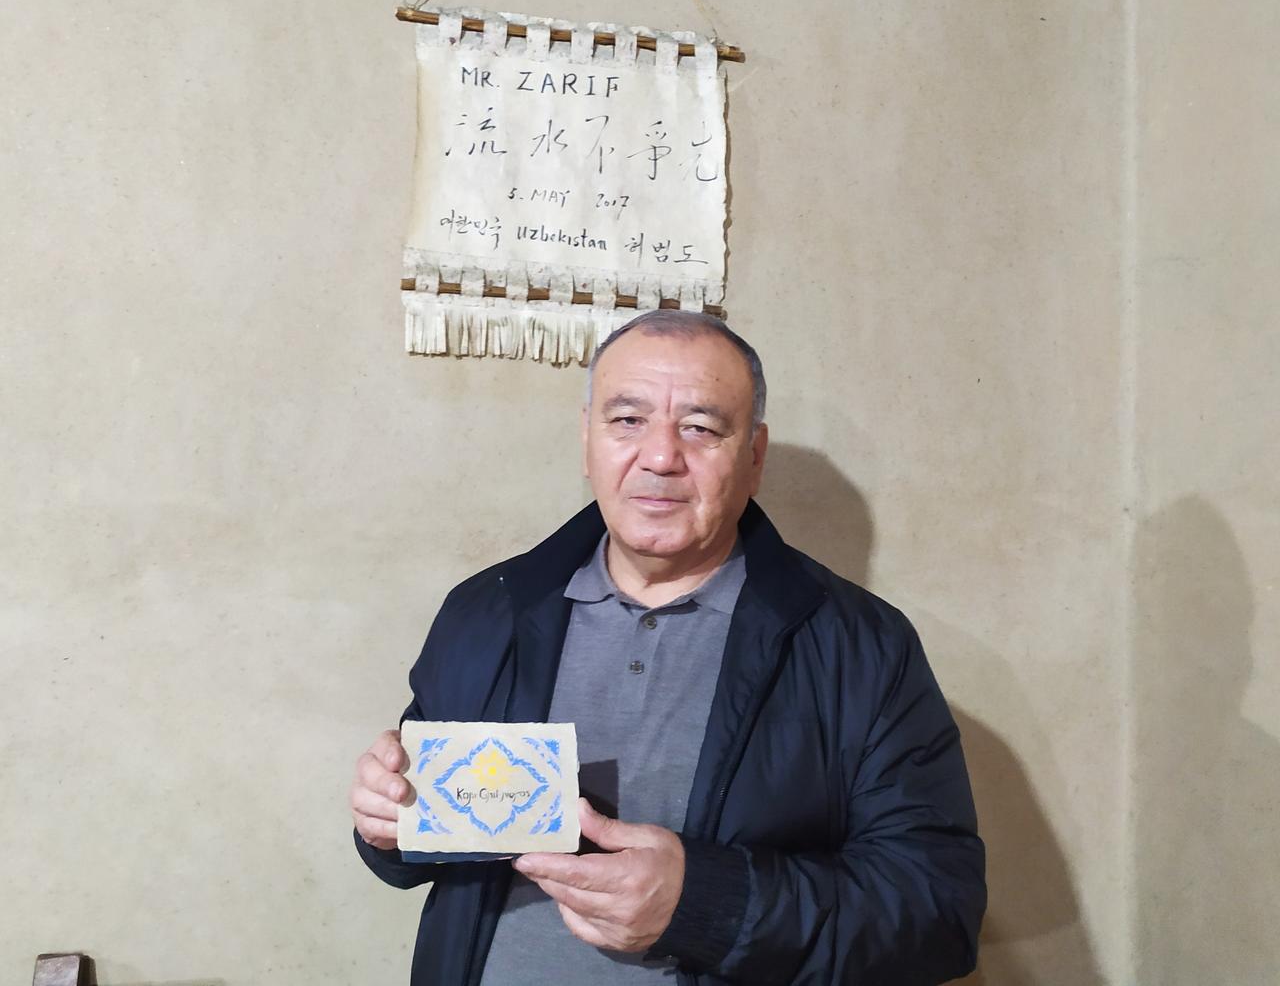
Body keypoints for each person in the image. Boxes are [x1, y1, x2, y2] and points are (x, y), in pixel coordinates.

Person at [350, 310, 986, 985]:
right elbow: (422, 840)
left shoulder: (861, 646)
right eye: (628, 420)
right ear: (587, 441)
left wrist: (707, 905)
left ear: (754, 456)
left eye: (701, 428)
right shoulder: (489, 609)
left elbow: (937, 913)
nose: (660, 457)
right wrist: (388, 823)